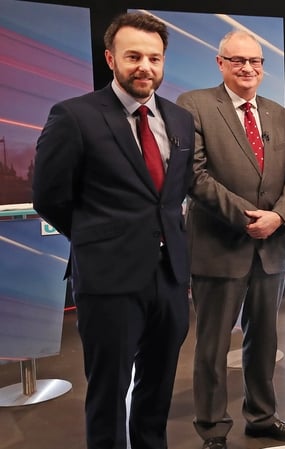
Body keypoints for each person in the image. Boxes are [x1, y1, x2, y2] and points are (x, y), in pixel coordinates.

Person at [32, 12, 194, 449]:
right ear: (111, 58)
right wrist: (99, 239)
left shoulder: (180, 120)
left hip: (170, 277)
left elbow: (173, 194)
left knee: (156, 389)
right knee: (107, 394)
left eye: (154, 58)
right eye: (134, 56)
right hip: (108, 281)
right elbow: (48, 197)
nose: (145, 66)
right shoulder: (74, 116)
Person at [176, 30, 285, 449]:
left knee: (264, 339)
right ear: (220, 63)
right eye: (238, 61)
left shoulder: (278, 113)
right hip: (219, 246)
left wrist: (279, 217)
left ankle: (262, 416)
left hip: (271, 248)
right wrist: (250, 218)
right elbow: (193, 175)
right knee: (213, 346)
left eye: (256, 62)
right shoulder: (194, 105)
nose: (248, 68)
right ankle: (212, 428)